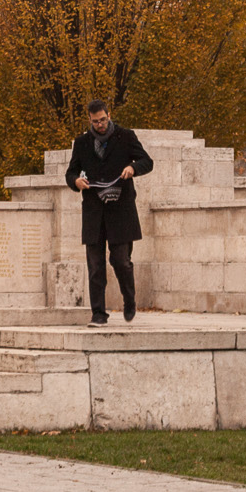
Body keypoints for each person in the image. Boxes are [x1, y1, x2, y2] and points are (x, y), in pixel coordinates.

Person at [64, 100, 153, 325]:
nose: (100, 124)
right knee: (95, 265)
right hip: (94, 211)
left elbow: (147, 161)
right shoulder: (82, 143)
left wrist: (133, 168)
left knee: (121, 261)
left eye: (103, 119)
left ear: (108, 115)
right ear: (90, 120)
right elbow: (71, 172)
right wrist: (76, 181)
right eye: (95, 121)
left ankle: (129, 300)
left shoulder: (125, 136)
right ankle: (98, 313)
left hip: (120, 210)